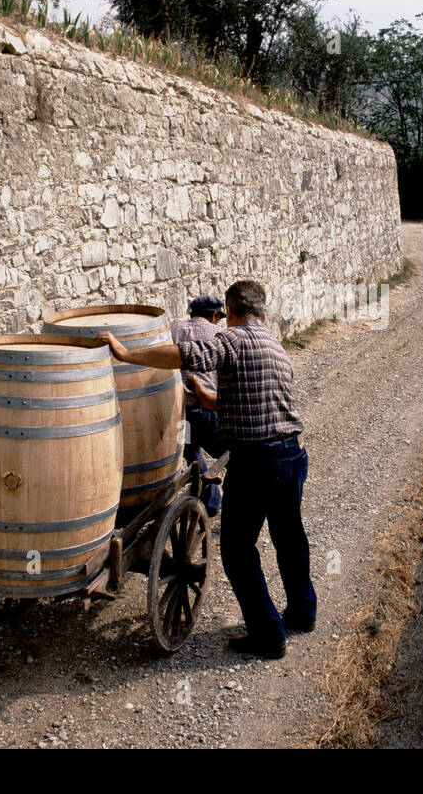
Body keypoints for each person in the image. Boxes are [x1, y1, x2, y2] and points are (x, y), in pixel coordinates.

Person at [102, 280, 315, 660]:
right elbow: (255, 401)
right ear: (263, 313)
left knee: (235, 551)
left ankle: (268, 635)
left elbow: (183, 355)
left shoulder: (232, 338)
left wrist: (125, 353)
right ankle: (303, 612)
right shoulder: (275, 347)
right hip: (292, 455)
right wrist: (209, 399)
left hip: (256, 463)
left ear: (230, 314)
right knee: (289, 539)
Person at [169, 295, 226, 516]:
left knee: (191, 450)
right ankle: (236, 502)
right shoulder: (219, 335)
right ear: (213, 316)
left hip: (179, 415)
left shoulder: (173, 330)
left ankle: (211, 502)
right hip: (206, 414)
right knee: (231, 450)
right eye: (218, 317)